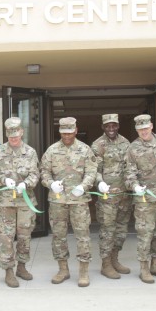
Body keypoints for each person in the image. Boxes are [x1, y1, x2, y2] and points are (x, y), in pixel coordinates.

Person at [40, 117, 97, 287]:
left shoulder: (85, 150)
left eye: (70, 132)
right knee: (58, 236)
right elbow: (44, 172)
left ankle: (84, 271)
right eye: (64, 133)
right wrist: (50, 183)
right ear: (60, 132)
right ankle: (63, 269)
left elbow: (91, 172)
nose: (67, 136)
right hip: (58, 201)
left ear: (75, 130)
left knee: (83, 236)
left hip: (79, 200)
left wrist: (83, 186)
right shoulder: (51, 151)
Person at [0, 117, 40, 288]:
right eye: (10, 138)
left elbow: (35, 174)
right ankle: (8, 270)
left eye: (16, 137)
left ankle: (22, 267)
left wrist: (26, 183)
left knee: (25, 236)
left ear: (21, 132)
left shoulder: (30, 152)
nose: (14, 140)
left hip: (25, 201)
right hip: (4, 203)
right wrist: (3, 180)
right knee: (6, 237)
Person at [125, 114, 156, 284]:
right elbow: (129, 173)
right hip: (144, 199)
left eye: (146, 128)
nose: (143, 132)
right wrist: (135, 186)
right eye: (140, 129)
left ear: (151, 126)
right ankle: (144, 268)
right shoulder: (133, 148)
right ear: (136, 130)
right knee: (145, 233)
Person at [91, 113, 132, 279]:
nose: (111, 129)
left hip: (124, 195)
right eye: (108, 126)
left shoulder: (126, 143)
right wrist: (100, 182)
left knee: (121, 231)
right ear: (103, 127)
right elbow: (94, 170)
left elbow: (131, 166)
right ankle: (106, 264)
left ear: (118, 125)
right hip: (107, 197)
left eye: (114, 125)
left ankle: (115, 259)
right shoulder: (98, 145)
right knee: (108, 231)